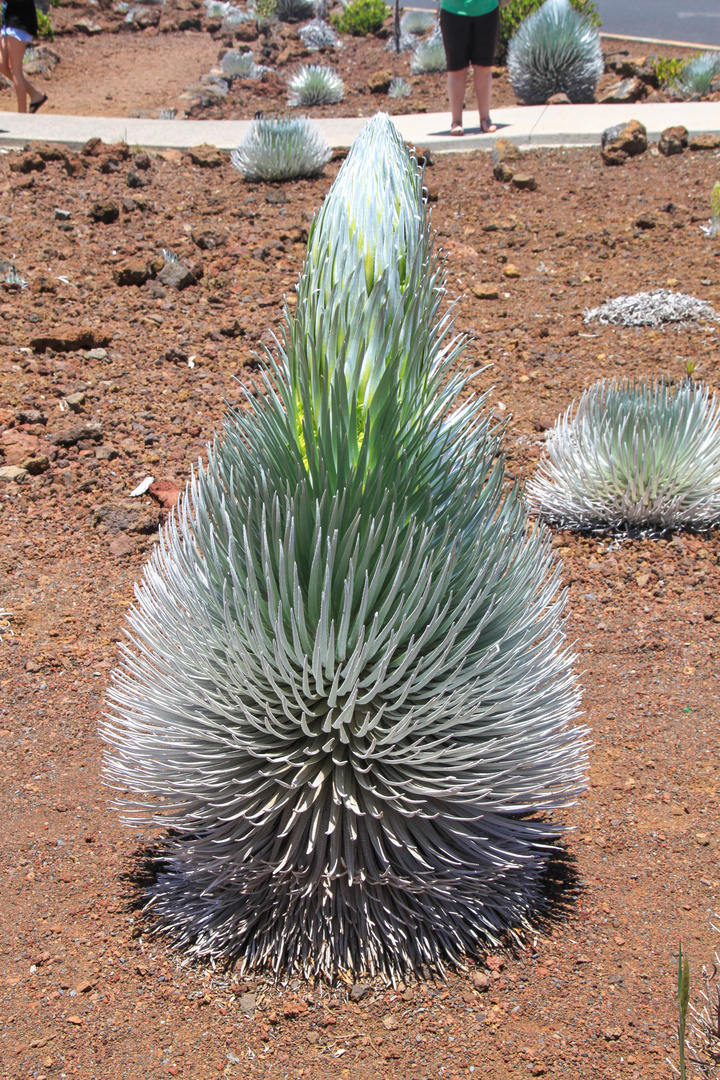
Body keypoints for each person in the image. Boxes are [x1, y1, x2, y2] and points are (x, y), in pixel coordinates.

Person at [439, 0, 499, 137]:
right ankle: (456, 122)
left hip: (487, 8)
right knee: (456, 69)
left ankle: (485, 119)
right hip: (453, 9)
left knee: (483, 67)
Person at [0, 0, 47, 113]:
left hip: (19, 20)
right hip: (8, 20)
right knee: (2, 64)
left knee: (15, 69)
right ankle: (34, 94)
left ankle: (22, 114)